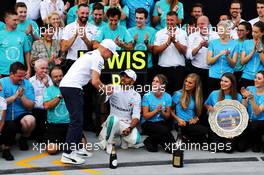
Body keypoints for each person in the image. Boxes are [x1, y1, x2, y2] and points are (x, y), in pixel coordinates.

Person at [59, 39, 118, 164]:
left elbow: (93, 81)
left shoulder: (91, 54)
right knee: (77, 121)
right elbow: (95, 81)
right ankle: (68, 154)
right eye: (111, 54)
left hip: (69, 86)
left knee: (78, 120)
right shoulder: (99, 58)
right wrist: (106, 89)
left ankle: (78, 148)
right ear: (107, 50)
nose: (110, 57)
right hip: (72, 87)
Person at [98, 69, 141, 154]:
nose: (123, 78)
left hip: (125, 123)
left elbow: (136, 116)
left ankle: (120, 138)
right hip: (112, 121)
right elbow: (101, 101)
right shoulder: (113, 88)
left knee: (135, 140)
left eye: (127, 77)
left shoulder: (136, 95)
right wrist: (105, 92)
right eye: (123, 76)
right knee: (114, 119)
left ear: (133, 81)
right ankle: (109, 142)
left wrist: (130, 128)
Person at [0, 62, 35, 161]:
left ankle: (23, 139)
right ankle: (5, 146)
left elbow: (31, 106)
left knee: (30, 120)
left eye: (23, 76)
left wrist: (21, 96)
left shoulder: (27, 84)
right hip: (4, 117)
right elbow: (1, 103)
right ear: (11, 74)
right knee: (9, 127)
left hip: (20, 115)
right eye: (19, 76)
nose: (22, 79)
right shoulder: (2, 82)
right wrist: (15, 96)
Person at [205, 72, 242, 152]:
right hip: (216, 126)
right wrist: (209, 107)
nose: (222, 83)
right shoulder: (214, 93)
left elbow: (240, 115)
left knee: (229, 150)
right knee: (214, 149)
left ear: (232, 83)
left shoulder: (238, 96)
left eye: (226, 81)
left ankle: (229, 140)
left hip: (230, 127)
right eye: (221, 80)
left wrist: (233, 132)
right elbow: (206, 104)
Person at [153, 11, 187, 95]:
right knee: (162, 94)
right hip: (163, 69)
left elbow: (184, 51)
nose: (169, 22)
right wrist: (167, 43)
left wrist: (175, 41)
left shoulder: (183, 33)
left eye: (172, 20)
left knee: (178, 95)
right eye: (167, 20)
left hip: (178, 70)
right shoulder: (160, 33)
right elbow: (155, 51)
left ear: (177, 21)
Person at [141, 74, 175, 153]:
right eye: (153, 81)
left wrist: (162, 112)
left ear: (163, 85)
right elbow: (145, 116)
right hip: (147, 123)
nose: (154, 83)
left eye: (157, 82)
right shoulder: (147, 96)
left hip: (160, 123)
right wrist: (156, 111)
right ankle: (149, 140)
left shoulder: (168, 97)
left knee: (172, 149)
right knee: (164, 130)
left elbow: (167, 117)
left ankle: (151, 141)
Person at [187, 16, 219, 99]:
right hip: (196, 69)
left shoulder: (216, 36)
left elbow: (219, 53)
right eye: (198, 24)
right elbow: (189, 55)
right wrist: (199, 47)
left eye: (202, 24)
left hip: (212, 71)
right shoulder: (192, 36)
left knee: (209, 94)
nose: (200, 26)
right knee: (195, 95)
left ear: (208, 24)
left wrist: (209, 46)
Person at [171, 73, 208, 144]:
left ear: (195, 85)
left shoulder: (197, 96)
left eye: (190, 83)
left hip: (191, 124)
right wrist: (177, 119)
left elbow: (197, 113)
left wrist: (195, 118)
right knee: (204, 131)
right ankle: (184, 136)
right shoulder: (178, 94)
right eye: (186, 81)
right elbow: (170, 110)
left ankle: (185, 137)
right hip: (181, 124)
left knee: (205, 142)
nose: (186, 84)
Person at [61, 3, 97, 72]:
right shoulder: (68, 27)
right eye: (82, 13)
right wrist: (74, 36)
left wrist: (85, 39)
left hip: (87, 62)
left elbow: (93, 49)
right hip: (71, 61)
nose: (85, 15)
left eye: (87, 13)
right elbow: (63, 48)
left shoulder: (94, 29)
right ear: (77, 12)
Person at [207, 20, 238, 94]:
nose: (219, 32)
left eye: (221, 30)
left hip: (228, 77)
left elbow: (233, 64)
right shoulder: (213, 43)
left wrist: (227, 56)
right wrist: (219, 54)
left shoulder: (235, 44)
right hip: (214, 75)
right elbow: (208, 62)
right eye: (218, 30)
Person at [0, 10, 31, 79]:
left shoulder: (22, 35)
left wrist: (29, 69)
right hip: (3, 72)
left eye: (17, 20)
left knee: (21, 90)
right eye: (14, 20)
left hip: (19, 73)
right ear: (6, 20)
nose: (17, 22)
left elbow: (27, 52)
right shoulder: (0, 35)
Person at [128, 8, 156, 83]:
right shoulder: (129, 31)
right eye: (136, 18)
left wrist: (146, 42)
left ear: (146, 19)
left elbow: (152, 50)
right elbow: (127, 50)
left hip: (147, 67)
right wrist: (134, 42)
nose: (138, 20)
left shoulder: (152, 31)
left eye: (141, 18)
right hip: (133, 67)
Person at [240, 71, 264, 152]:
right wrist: (244, 97)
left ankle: (258, 141)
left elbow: (257, 112)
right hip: (249, 121)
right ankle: (252, 141)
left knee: (255, 125)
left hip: (260, 122)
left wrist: (252, 99)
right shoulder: (250, 88)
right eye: (255, 78)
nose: (255, 80)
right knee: (241, 148)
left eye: (259, 78)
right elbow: (244, 107)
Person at [29, 59, 53, 141]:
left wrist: (46, 84)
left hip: (48, 107)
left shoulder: (50, 79)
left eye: (46, 68)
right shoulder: (30, 81)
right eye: (42, 68)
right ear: (35, 69)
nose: (45, 70)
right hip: (36, 109)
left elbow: (53, 94)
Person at [240, 21, 264, 88]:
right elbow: (242, 62)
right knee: (245, 98)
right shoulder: (246, 42)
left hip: (260, 78)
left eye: (256, 32)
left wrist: (259, 50)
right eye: (252, 31)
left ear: (262, 33)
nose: (253, 34)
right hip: (246, 77)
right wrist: (252, 51)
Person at [234, 22, 252, 90]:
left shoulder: (251, 43)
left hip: (245, 73)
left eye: (242, 30)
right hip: (233, 71)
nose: (239, 32)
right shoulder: (233, 42)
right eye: (238, 30)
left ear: (247, 31)